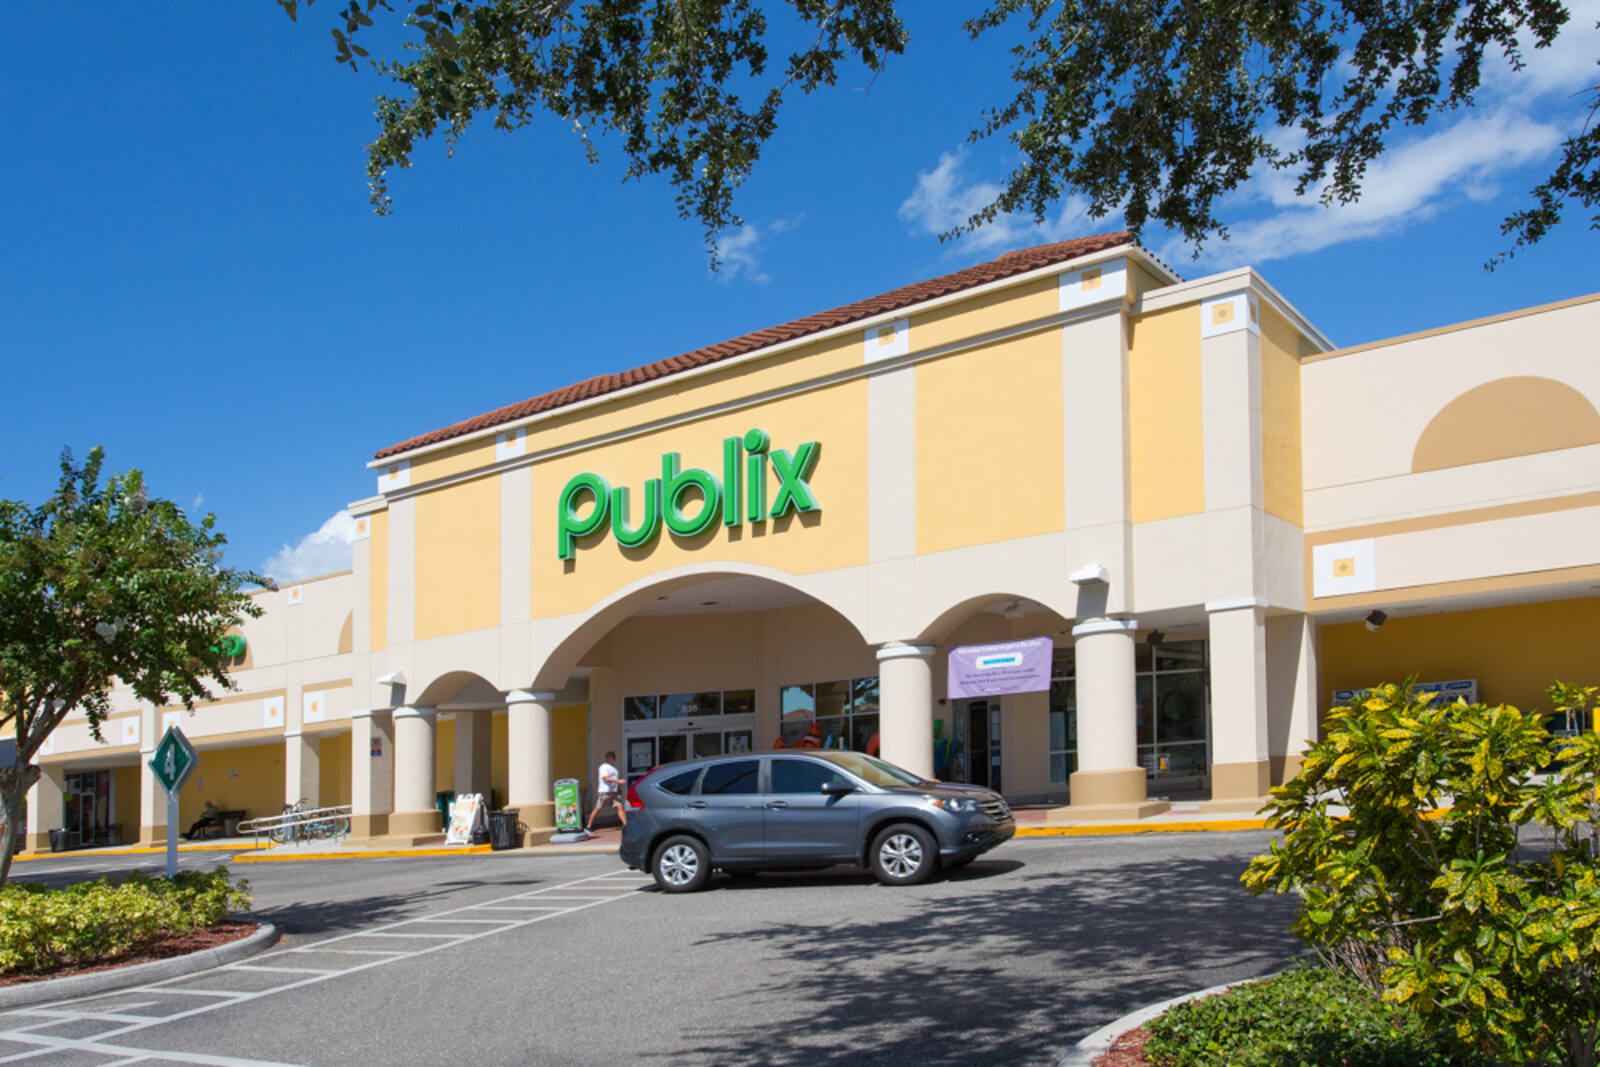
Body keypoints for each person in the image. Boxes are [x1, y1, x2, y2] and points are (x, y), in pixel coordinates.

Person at [584, 752, 627, 833]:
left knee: (620, 807)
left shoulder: (614, 768)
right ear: (607, 758)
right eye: (611, 757)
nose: (612, 759)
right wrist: (619, 781)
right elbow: (606, 778)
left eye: (614, 757)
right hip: (605, 792)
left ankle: (625, 825)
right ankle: (588, 827)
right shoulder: (603, 767)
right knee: (598, 809)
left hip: (613, 793)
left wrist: (618, 789)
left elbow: (614, 779)